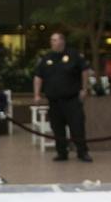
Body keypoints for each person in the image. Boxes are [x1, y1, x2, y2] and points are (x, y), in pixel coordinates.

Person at [32, 31, 93, 162]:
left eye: (54, 40)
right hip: (54, 101)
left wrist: (84, 88)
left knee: (77, 127)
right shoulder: (46, 58)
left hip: (71, 99)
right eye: (51, 40)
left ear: (62, 41)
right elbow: (38, 76)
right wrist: (36, 94)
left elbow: (85, 70)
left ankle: (82, 152)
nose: (52, 42)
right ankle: (62, 152)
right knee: (57, 128)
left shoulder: (74, 55)